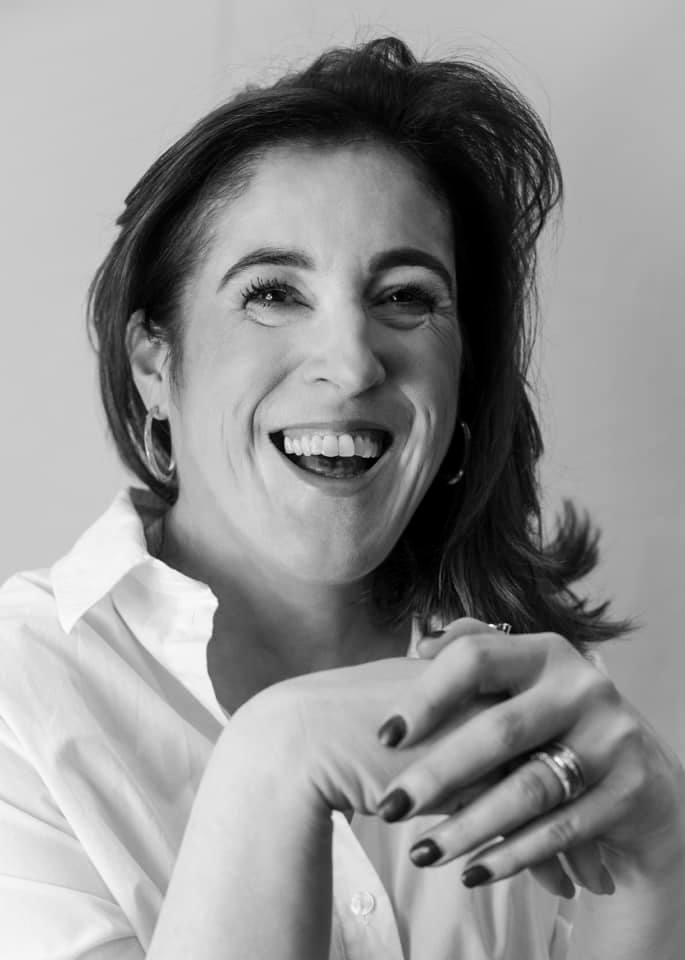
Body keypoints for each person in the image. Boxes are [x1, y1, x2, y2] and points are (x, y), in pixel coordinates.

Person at [1, 35, 683, 960]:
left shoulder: (533, 702)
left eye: (405, 297)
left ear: (461, 373)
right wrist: (274, 760)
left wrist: (659, 863)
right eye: (273, 293)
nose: (353, 363)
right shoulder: (21, 700)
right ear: (155, 363)